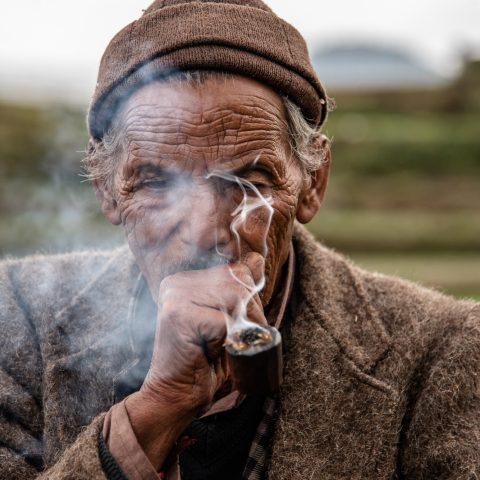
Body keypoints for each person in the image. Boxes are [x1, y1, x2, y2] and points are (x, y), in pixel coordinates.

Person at [1, 1, 479, 479]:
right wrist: (157, 410)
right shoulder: (14, 319)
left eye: (249, 179)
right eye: (158, 182)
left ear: (312, 183)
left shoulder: (445, 351)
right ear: (108, 191)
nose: (207, 230)